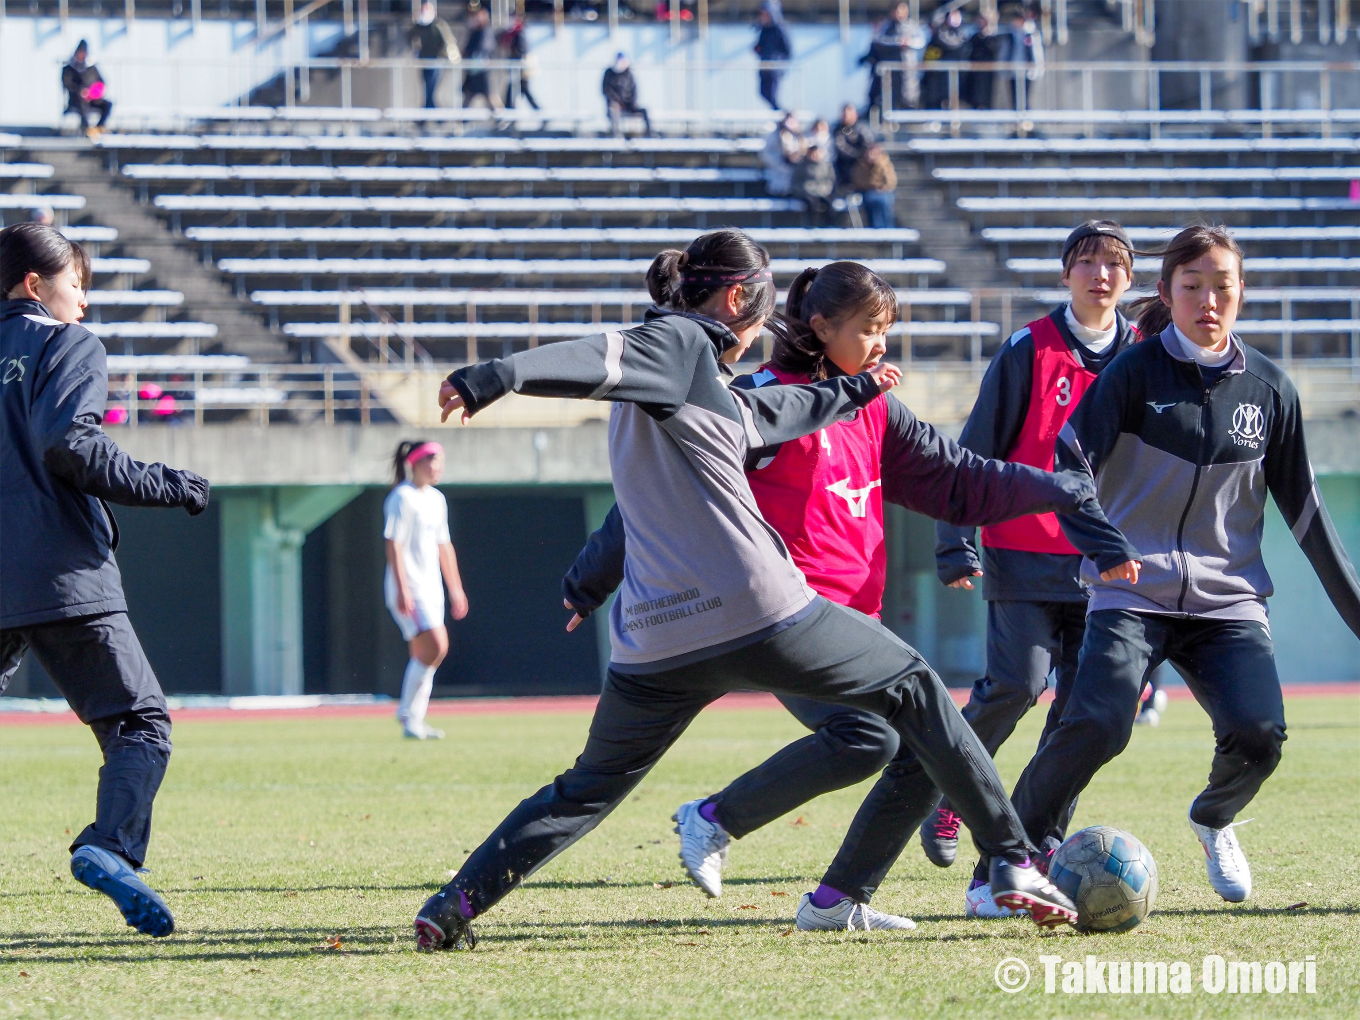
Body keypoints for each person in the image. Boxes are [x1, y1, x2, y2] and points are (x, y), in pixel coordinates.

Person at [414, 229, 1077, 950]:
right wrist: (493, 377)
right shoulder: (677, 343)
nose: (764, 332)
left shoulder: (711, 389)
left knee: (585, 790)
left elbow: (772, 417)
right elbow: (598, 354)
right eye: (760, 315)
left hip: (655, 640)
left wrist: (851, 390)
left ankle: (454, 905)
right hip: (757, 610)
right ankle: (1013, 860)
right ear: (736, 299)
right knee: (917, 687)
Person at [998, 224, 1360, 907]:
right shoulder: (1130, 375)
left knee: (1260, 735)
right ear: (1166, 292)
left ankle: (1214, 818)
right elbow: (1068, 465)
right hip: (1131, 592)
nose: (1208, 300)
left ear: (1242, 293)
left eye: (1223, 286)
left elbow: (1307, 515)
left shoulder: (1270, 389)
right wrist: (1105, 545)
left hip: (1228, 602)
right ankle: (1015, 855)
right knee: (1100, 722)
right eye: (1191, 287)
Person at [0, 222, 210, 938]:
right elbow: (72, 445)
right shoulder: (68, 344)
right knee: (139, 723)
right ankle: (109, 846)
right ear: (36, 284)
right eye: (77, 284)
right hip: (60, 572)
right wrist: (171, 482)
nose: (83, 302)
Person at [928, 221, 1140, 917]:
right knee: (1017, 686)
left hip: (1109, 568)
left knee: (1080, 717)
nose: (1100, 275)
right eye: (1087, 263)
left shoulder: (1144, 356)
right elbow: (975, 451)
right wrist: (955, 541)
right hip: (1023, 551)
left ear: (1131, 280)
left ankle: (1032, 846)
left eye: (1113, 264)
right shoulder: (1028, 350)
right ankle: (955, 789)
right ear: (1064, 275)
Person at [384, 440, 468, 741]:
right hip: (411, 588)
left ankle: (413, 719)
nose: (438, 467)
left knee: (425, 654)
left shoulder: (437, 499)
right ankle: (408, 711)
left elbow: (444, 546)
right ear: (416, 463)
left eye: (441, 460)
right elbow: (393, 544)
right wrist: (402, 589)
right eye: (433, 460)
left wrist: (456, 589)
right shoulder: (401, 498)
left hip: (432, 588)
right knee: (437, 646)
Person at [861, 3, 926, 119]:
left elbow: (921, 41)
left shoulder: (912, 26)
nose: (899, 14)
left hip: (908, 69)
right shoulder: (886, 26)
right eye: (897, 11)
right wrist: (897, 42)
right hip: (891, 70)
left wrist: (909, 43)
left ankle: (910, 115)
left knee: (910, 94)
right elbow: (880, 40)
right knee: (890, 95)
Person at [410, 1, 459, 111]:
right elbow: (410, 37)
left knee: (431, 90)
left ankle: (428, 116)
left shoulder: (438, 25)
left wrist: (447, 56)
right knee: (428, 89)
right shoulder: (419, 26)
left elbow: (448, 41)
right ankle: (432, 116)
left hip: (437, 62)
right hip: (424, 61)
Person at [997, 3, 1043, 113]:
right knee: (1013, 98)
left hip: (1027, 71)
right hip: (1012, 71)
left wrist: (1037, 68)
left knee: (1025, 98)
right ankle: (1015, 124)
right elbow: (1003, 53)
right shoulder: (1009, 35)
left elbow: (1037, 52)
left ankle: (1026, 122)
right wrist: (1003, 69)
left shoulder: (1031, 34)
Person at [920, 7, 969, 109]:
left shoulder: (962, 34)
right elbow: (930, 55)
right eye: (953, 15)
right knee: (935, 99)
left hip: (956, 74)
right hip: (937, 75)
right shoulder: (938, 36)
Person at [62, 40, 112, 138]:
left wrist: (93, 93)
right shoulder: (69, 69)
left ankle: (98, 127)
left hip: (92, 98)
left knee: (107, 104)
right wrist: (79, 91)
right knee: (81, 104)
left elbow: (101, 82)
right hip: (76, 99)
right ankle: (87, 128)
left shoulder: (91, 68)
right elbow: (67, 84)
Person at [461, 6, 502, 113]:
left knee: (489, 95)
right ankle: (462, 121)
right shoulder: (474, 31)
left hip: (482, 70)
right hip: (473, 70)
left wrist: (470, 52)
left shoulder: (485, 31)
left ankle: (501, 118)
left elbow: (483, 48)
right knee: (468, 95)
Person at [753, 0, 792, 111]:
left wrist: (779, 61)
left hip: (774, 69)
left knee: (772, 94)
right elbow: (761, 46)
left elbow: (787, 49)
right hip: (764, 66)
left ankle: (782, 114)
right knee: (763, 92)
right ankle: (779, 111)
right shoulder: (764, 30)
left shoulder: (780, 29)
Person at [602, 53, 650, 137]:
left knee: (644, 110)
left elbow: (634, 90)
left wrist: (632, 103)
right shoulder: (609, 73)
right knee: (614, 110)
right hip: (616, 104)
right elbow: (606, 90)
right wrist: (617, 101)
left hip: (629, 104)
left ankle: (649, 134)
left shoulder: (629, 74)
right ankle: (617, 135)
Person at [852, 143, 898, 229]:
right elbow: (859, 180)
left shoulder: (885, 164)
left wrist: (878, 165)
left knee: (885, 202)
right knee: (872, 200)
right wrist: (872, 185)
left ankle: (887, 227)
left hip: (884, 191)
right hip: (868, 191)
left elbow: (891, 180)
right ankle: (874, 227)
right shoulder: (861, 165)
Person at [963, 9, 1000, 110]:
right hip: (974, 70)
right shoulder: (974, 36)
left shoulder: (994, 37)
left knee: (986, 93)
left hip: (988, 71)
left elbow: (994, 52)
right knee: (974, 93)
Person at [499, 17, 539, 112]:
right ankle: (511, 116)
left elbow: (521, 51)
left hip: (520, 70)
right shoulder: (515, 33)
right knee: (516, 93)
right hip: (518, 71)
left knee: (515, 92)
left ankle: (540, 113)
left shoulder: (519, 34)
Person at [760, 112, 803, 197]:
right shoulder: (774, 135)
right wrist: (779, 162)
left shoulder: (799, 137)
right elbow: (766, 153)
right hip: (777, 168)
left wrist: (795, 158)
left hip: (794, 170)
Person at [832, 104, 875, 189]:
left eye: (849, 114)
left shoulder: (862, 128)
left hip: (861, 164)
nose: (846, 116)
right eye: (844, 114)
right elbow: (840, 147)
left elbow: (868, 144)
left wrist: (861, 155)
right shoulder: (837, 130)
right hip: (842, 165)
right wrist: (855, 154)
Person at [793, 144, 836, 226]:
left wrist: (824, 190)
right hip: (806, 193)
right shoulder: (801, 166)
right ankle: (812, 225)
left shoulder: (827, 166)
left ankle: (830, 225)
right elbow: (796, 182)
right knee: (812, 203)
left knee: (829, 202)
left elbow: (830, 181)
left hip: (822, 192)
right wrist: (806, 189)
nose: (814, 156)